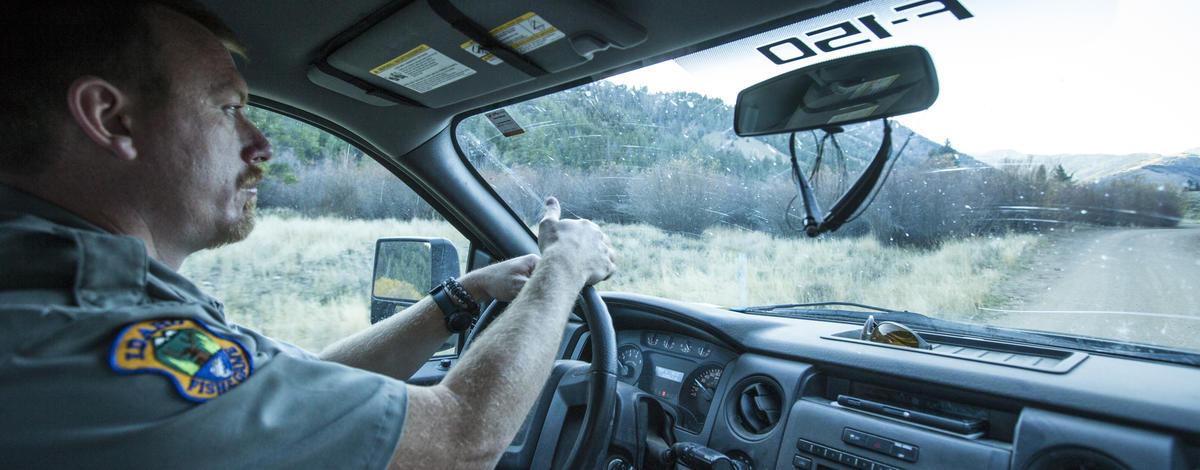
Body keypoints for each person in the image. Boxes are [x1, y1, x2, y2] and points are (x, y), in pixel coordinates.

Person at [0, 1, 616, 468]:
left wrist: (460, 298)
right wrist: (563, 266)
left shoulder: (57, 304)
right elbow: (458, 441)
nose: (262, 146)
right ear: (111, 118)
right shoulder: (92, 336)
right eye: (226, 108)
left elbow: (299, 391)